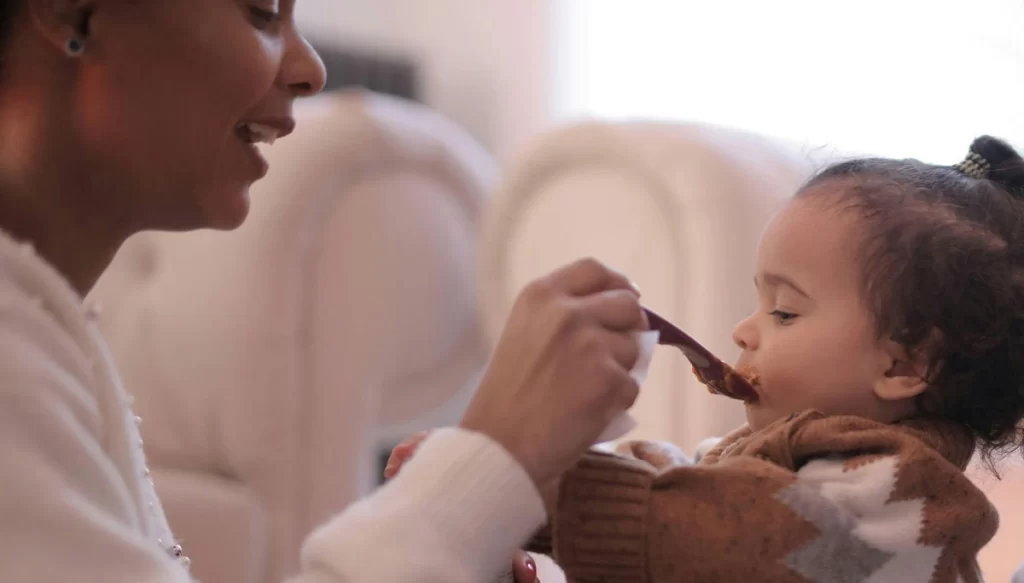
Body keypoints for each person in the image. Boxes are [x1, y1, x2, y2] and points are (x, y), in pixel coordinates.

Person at [0, 1, 648, 582]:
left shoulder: (48, 338)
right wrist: (492, 458)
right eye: (259, 13)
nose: (311, 70)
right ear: (72, 12)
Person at [392, 137, 1024, 582]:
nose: (744, 330)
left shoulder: (904, 502)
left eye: (785, 311)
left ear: (906, 363)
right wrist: (510, 486)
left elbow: (737, 533)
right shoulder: (779, 464)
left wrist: (543, 491)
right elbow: (680, 474)